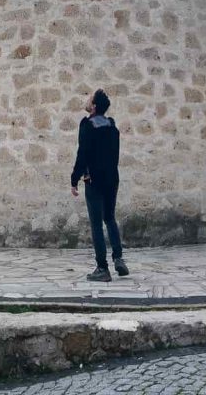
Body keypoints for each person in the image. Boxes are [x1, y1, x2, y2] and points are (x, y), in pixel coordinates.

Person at [70, 88, 129, 282]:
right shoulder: (112, 126)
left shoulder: (87, 125)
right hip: (112, 179)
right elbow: (115, 154)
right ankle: (119, 258)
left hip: (94, 180)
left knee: (96, 224)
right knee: (110, 218)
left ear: (93, 107)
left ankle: (102, 268)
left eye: (89, 99)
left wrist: (74, 179)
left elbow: (83, 154)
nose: (86, 101)